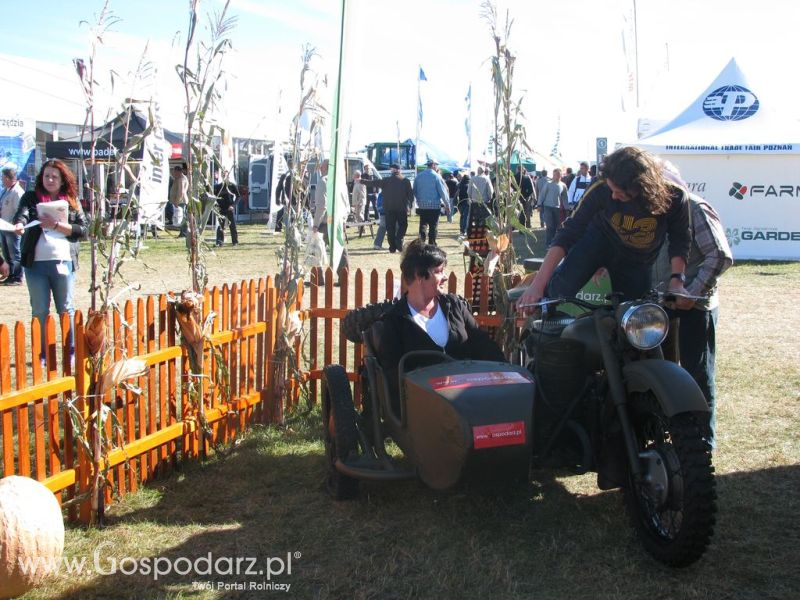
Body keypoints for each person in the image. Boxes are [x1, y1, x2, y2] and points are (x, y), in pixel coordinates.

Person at [517, 146, 691, 312]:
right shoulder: (601, 188)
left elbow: (680, 239)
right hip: (598, 242)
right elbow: (568, 233)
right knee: (559, 290)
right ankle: (542, 332)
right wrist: (537, 285)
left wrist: (677, 280)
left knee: (635, 318)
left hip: (639, 259)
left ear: (642, 187)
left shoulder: (674, 197)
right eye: (611, 189)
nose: (613, 196)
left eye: (620, 193)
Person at [654, 162, 733, 447]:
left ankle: (700, 446)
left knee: (695, 375)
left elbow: (719, 255)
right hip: (661, 307)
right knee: (663, 375)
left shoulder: (694, 208)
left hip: (695, 308)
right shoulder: (653, 214)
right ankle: (672, 437)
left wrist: (693, 292)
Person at [377, 239, 505, 410]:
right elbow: (392, 374)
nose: (445, 277)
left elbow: (483, 344)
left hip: (468, 399)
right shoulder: (396, 320)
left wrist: (505, 371)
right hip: (424, 409)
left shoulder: (455, 306)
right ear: (418, 276)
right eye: (439, 271)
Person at [12, 159, 88, 362]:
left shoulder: (71, 200)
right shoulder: (31, 197)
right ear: (41, 178)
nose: (50, 179)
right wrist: (19, 223)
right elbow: (23, 214)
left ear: (63, 180)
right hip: (35, 264)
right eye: (47, 175)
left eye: (55, 176)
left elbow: (83, 230)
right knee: (39, 309)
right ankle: (43, 353)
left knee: (65, 307)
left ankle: (70, 350)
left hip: (64, 262)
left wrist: (56, 225)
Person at [369, 163, 413, 253]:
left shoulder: (386, 180)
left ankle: (392, 247)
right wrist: (410, 206)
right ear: (399, 170)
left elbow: (373, 183)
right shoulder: (405, 181)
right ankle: (398, 241)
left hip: (389, 209)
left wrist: (361, 180)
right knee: (403, 226)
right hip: (402, 209)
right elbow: (410, 196)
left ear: (392, 170)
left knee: (390, 228)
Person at [413, 159, 450, 246]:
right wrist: (447, 205)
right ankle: (432, 244)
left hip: (422, 206)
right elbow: (443, 192)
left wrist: (418, 200)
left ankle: (421, 243)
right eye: (436, 165)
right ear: (433, 165)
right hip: (434, 206)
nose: (437, 167)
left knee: (423, 225)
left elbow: (414, 191)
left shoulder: (419, 176)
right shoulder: (436, 176)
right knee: (433, 226)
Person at [1, 167, 25, 285]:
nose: (1, 180)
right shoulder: (7, 190)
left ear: (6, 178)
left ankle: (17, 276)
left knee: (14, 253)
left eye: (2, 177)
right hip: (4, 226)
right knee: (7, 253)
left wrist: (13, 224)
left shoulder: (17, 192)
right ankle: (10, 275)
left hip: (11, 227)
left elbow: (19, 211)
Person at [537, 167, 568, 245]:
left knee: (557, 226)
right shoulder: (548, 184)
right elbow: (542, 195)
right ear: (553, 175)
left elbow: (565, 198)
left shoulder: (563, 185)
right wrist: (539, 205)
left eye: (558, 174)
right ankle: (548, 243)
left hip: (557, 208)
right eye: (555, 175)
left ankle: (554, 243)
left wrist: (567, 208)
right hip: (547, 207)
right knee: (550, 226)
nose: (556, 176)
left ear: (560, 175)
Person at [214, 171, 238, 246]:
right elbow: (215, 196)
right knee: (221, 225)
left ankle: (235, 242)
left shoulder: (232, 186)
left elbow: (238, 196)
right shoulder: (218, 187)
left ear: (228, 176)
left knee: (232, 225)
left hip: (230, 208)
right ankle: (219, 242)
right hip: (221, 208)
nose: (225, 177)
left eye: (226, 176)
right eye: (223, 176)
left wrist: (233, 205)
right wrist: (216, 204)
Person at [169, 164, 188, 234]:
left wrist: (177, 201)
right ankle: (182, 232)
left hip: (181, 201)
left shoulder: (181, 179)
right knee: (181, 216)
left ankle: (184, 232)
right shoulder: (179, 178)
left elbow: (181, 191)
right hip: (179, 201)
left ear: (178, 172)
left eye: (174, 172)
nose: (173, 174)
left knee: (182, 217)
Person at [350, 170, 367, 235]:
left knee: (360, 215)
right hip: (356, 203)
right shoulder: (356, 182)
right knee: (357, 216)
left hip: (360, 203)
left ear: (357, 175)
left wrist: (359, 203)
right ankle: (360, 229)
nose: (352, 175)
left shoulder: (361, 182)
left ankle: (363, 230)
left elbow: (362, 194)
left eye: (353, 174)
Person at [456, 171, 471, 238]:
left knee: (462, 216)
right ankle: (464, 230)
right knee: (465, 217)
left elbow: (456, 194)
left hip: (460, 202)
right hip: (467, 202)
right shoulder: (469, 185)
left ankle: (462, 230)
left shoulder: (460, 185)